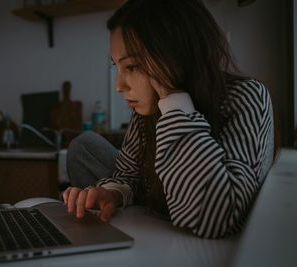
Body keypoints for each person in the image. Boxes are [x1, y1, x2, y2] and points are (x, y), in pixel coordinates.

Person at [63, 0, 279, 238]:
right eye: (117, 67)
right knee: (82, 146)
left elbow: (217, 219)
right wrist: (113, 193)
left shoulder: (246, 96)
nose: (118, 86)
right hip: (155, 211)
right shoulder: (145, 110)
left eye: (132, 66)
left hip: (206, 235)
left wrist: (173, 99)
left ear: (175, 54)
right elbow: (127, 174)